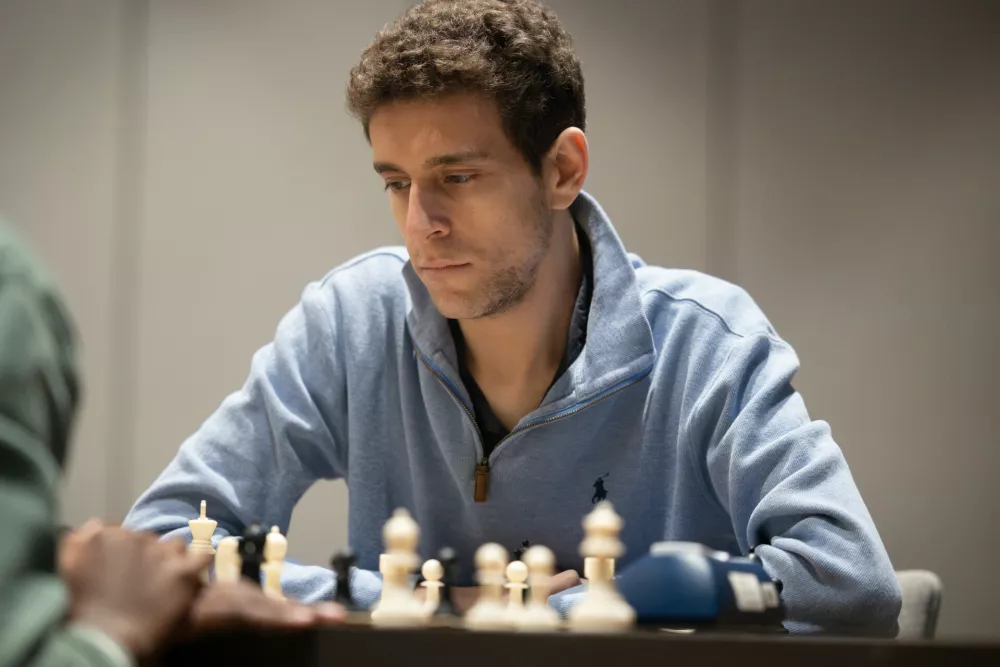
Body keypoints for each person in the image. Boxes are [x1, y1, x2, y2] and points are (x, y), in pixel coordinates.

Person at [123, 0, 902, 635]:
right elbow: (158, 542)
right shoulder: (349, 324)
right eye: (395, 182)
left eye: (456, 176)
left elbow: (850, 581)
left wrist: (565, 611)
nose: (419, 222)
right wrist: (437, 605)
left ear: (562, 169)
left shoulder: (708, 343)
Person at [0, 222, 343, 667]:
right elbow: (166, 531)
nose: (420, 221)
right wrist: (104, 637)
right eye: (395, 184)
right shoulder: (11, 293)